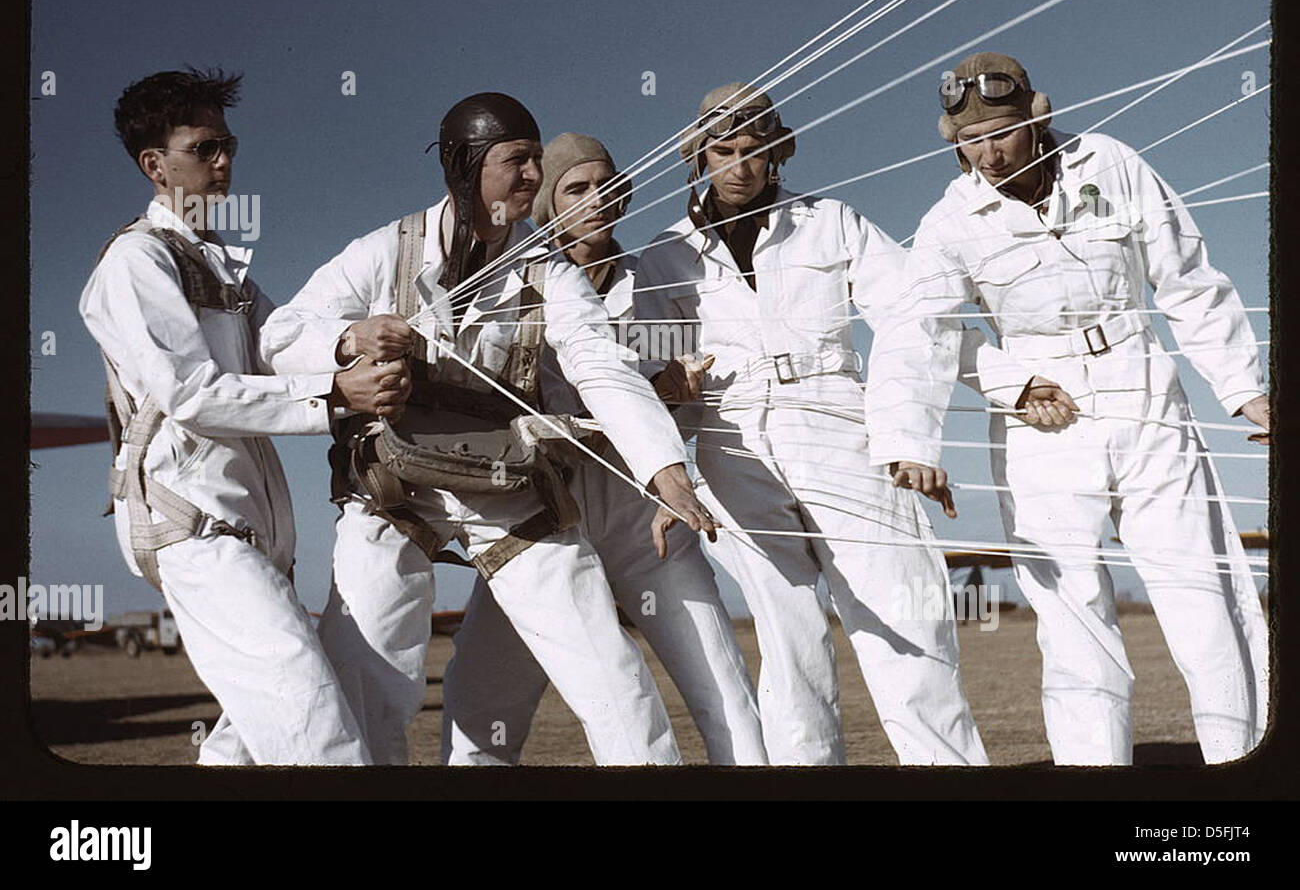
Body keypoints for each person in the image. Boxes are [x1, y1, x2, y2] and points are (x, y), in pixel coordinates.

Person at [261, 93, 718, 766]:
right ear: (463, 165)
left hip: (508, 494)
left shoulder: (552, 271)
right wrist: (347, 338)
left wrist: (664, 468)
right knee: (371, 684)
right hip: (393, 495)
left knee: (614, 679)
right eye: (516, 160)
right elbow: (280, 336)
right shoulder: (385, 250)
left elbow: (601, 366)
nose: (532, 175)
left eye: (536, 159)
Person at [865, 51, 1270, 765]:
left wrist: (1243, 388)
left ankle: (1238, 767)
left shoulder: (1109, 162)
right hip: (1040, 425)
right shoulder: (947, 222)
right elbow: (917, 333)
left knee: (1201, 596)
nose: (988, 154)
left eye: (1001, 132)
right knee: (1072, 620)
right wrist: (916, 440)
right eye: (969, 141)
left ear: (1036, 117)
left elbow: (1186, 277)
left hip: (1145, 393)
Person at [633, 83, 989, 766]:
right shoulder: (663, 257)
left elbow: (916, 321)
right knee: (787, 641)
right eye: (725, 151)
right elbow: (646, 385)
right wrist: (666, 396)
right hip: (731, 444)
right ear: (698, 157)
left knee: (904, 622)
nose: (741, 166)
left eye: (757, 150)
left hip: (841, 425)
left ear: (780, 152)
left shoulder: (832, 223)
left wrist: (912, 435)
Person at [80, 68, 407, 765]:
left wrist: (351, 340)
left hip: (254, 536)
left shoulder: (225, 271)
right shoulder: (135, 263)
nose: (225, 160)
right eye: (204, 148)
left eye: (227, 144)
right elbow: (191, 394)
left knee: (246, 745)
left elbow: (281, 339)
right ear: (154, 165)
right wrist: (336, 395)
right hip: (193, 531)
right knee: (316, 726)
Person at [440, 132, 767, 765]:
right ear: (546, 205)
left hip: (645, 510)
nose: (599, 200)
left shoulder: (660, 278)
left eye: (607, 185)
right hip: (539, 516)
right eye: (577, 189)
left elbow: (704, 374)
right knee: (481, 702)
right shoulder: (507, 283)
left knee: (723, 690)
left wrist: (673, 388)